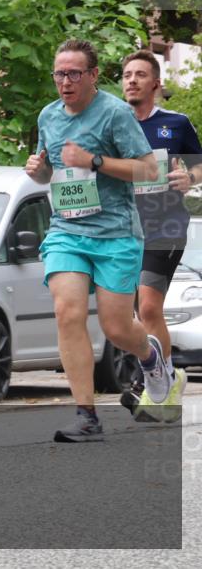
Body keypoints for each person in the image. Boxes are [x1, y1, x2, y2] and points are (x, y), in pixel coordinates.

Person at [24, 38, 175, 442]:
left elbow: (148, 171)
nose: (66, 81)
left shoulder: (114, 114)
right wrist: (37, 169)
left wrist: (94, 160)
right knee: (67, 311)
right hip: (67, 232)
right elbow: (48, 173)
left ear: (92, 76)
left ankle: (152, 357)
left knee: (116, 328)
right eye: (60, 73)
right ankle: (86, 415)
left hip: (115, 235)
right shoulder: (48, 117)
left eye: (75, 73)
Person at [121, 49, 196, 421]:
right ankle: (166, 376)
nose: (131, 80)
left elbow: (200, 165)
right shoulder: (111, 124)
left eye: (139, 74)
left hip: (166, 227)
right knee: (128, 313)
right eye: (127, 75)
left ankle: (156, 388)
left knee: (149, 307)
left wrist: (191, 177)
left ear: (155, 83)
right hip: (121, 230)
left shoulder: (175, 123)